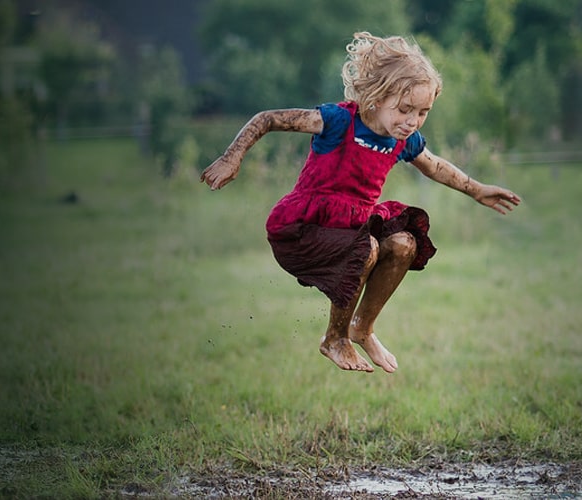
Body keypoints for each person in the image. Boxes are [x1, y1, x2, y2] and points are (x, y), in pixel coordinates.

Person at [201, 32, 521, 373]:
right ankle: (333, 339)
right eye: (404, 109)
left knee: (403, 243)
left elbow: (436, 166)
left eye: (423, 112)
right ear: (377, 97)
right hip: (305, 227)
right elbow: (268, 119)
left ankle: (362, 328)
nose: (412, 121)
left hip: (352, 226)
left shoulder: (404, 141)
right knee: (366, 248)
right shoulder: (340, 121)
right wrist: (231, 157)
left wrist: (476, 189)